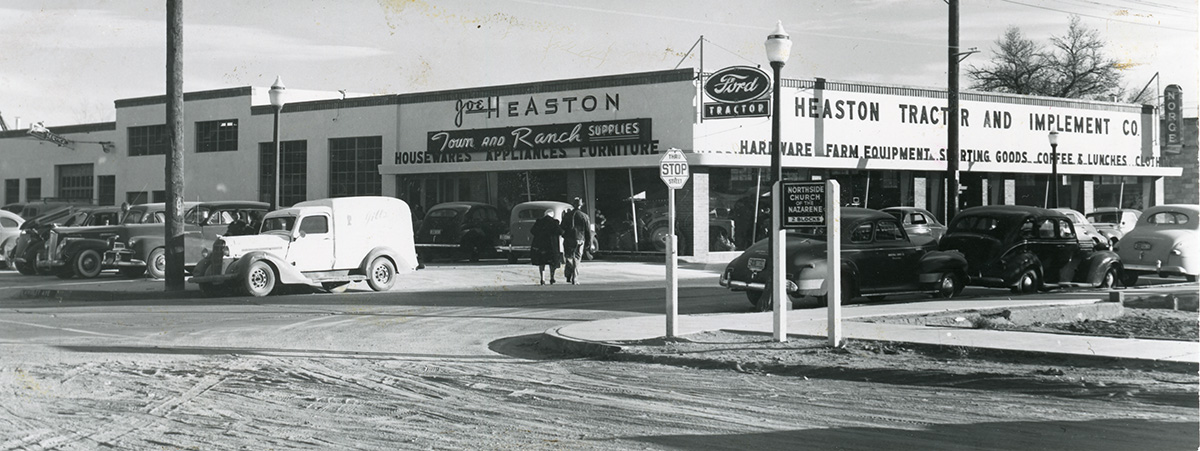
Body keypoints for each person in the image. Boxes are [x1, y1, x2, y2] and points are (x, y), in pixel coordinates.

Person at [560, 196, 593, 285]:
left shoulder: (567, 215)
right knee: (577, 258)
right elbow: (588, 231)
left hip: (568, 239)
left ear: (573, 205)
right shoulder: (584, 216)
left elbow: (562, 228)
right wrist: (588, 242)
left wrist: (564, 235)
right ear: (581, 205)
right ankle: (575, 278)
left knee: (568, 257)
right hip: (580, 239)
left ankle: (568, 275)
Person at [529, 208, 563, 285]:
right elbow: (561, 232)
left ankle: (542, 279)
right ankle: (552, 277)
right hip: (552, 246)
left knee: (542, 263)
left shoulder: (539, 222)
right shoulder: (554, 222)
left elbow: (532, 231)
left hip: (541, 245)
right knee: (552, 263)